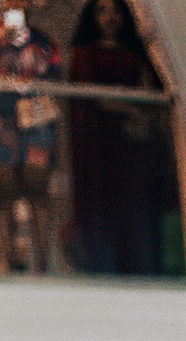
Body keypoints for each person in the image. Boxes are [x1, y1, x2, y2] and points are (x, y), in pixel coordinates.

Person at [68, 0, 169, 277]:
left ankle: (141, 267)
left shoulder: (135, 54)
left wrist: (142, 115)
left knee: (135, 210)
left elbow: (155, 91)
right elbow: (94, 95)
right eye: (102, 11)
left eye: (115, 11)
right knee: (103, 209)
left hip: (134, 149)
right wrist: (133, 109)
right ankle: (104, 267)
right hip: (100, 147)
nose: (110, 17)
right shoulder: (85, 53)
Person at [0, 5, 62, 273]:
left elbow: (56, 78)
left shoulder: (44, 41)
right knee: (3, 197)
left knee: (38, 196)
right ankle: (5, 264)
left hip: (36, 126)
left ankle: (44, 266)